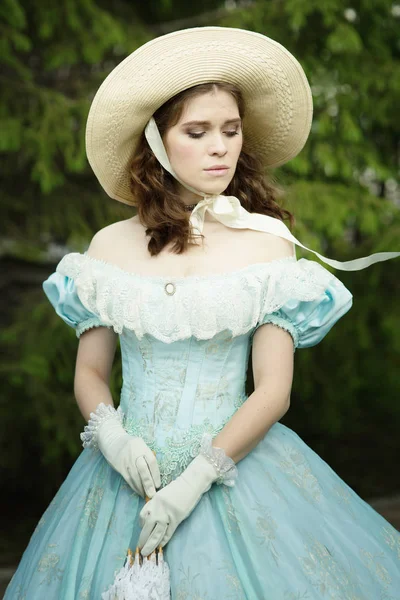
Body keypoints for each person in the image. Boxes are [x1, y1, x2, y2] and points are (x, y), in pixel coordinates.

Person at [5, 26, 400, 600]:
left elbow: (273, 390)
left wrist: (196, 478)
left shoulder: (267, 245)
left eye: (231, 130)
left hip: (230, 471)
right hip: (119, 478)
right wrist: (112, 438)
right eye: (198, 131)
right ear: (158, 142)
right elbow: (91, 372)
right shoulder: (108, 247)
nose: (221, 146)